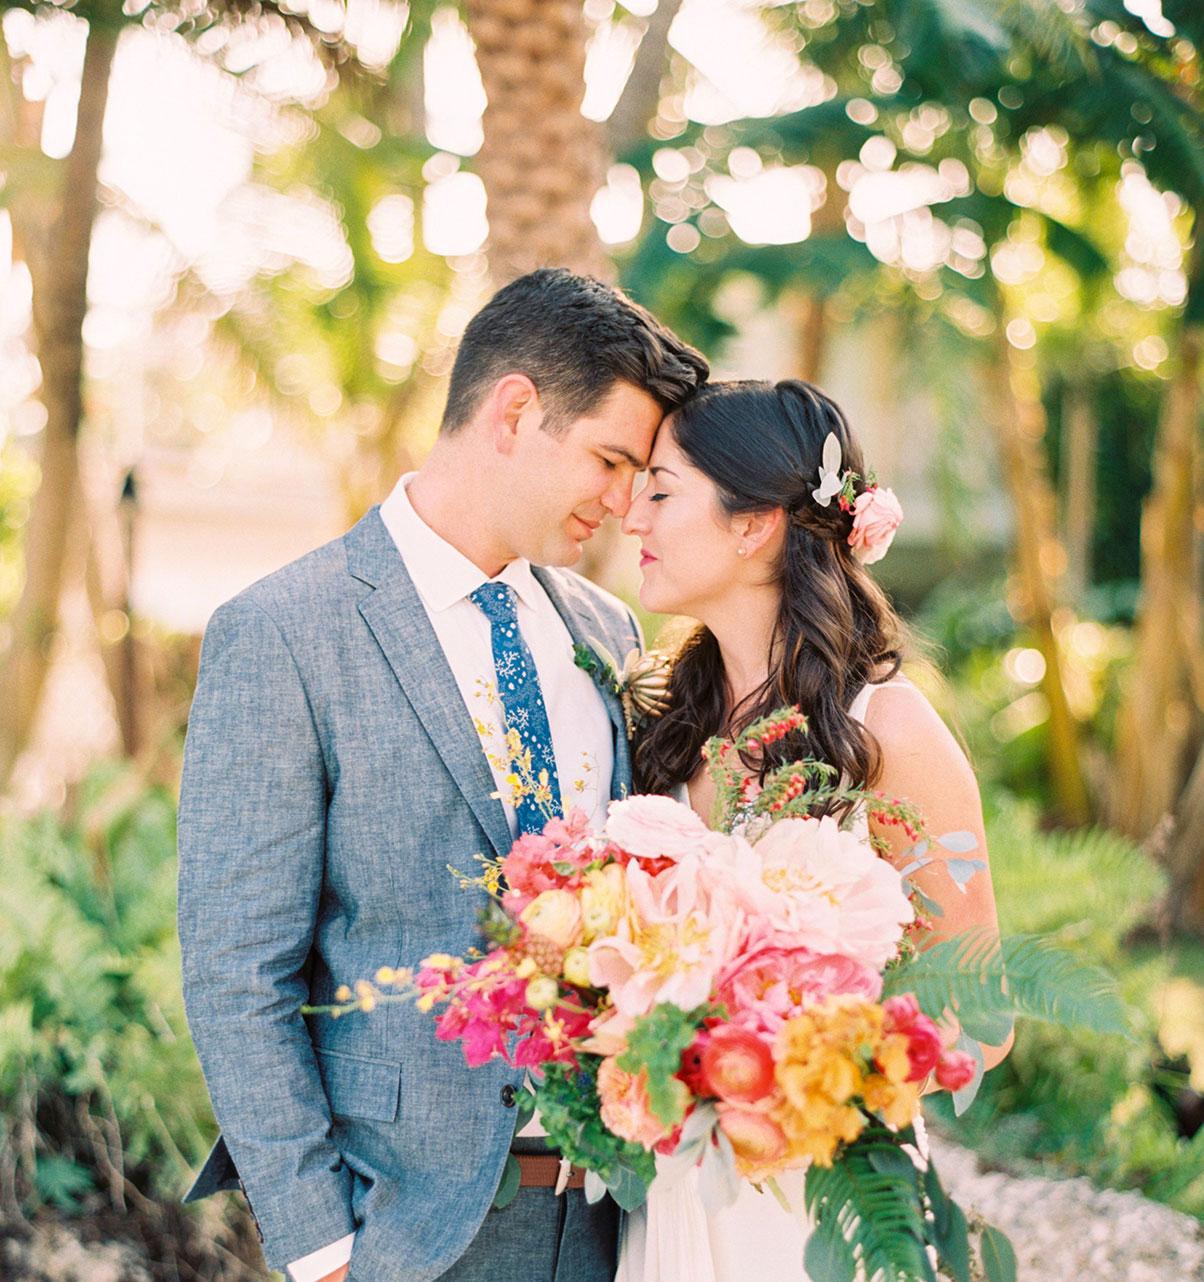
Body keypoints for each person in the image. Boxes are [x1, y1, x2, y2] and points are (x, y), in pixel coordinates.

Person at [176, 267, 708, 1282]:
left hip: (616, 1225)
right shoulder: (285, 631)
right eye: (608, 458)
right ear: (514, 411)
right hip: (411, 1235)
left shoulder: (606, 631)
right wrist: (321, 1251)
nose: (622, 500)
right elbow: (238, 971)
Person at [617, 378, 1012, 1282]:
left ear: (754, 524)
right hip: (677, 1195)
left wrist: (793, 1061)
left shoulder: (893, 732)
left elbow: (982, 1025)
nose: (632, 515)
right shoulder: (660, 724)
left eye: (663, 489)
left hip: (826, 1208)